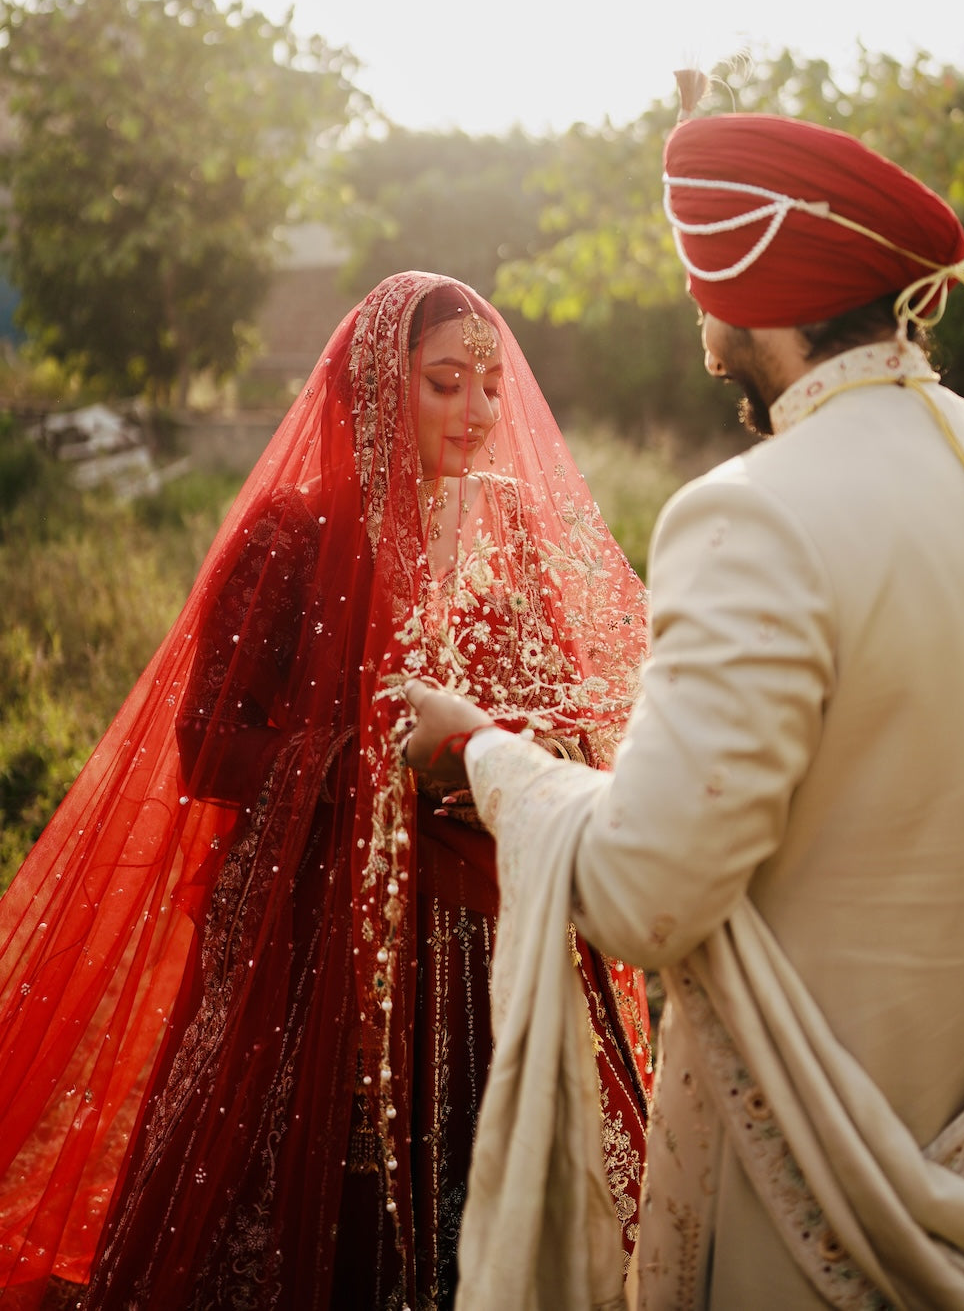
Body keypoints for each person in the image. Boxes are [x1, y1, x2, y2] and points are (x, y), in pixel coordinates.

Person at [404, 114, 964, 1311]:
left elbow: (640, 894)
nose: (698, 320)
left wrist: (487, 753)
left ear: (750, 286)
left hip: (807, 1189)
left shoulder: (751, 514)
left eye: (698, 283)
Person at [0, 271, 652, 1310]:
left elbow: (573, 715)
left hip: (496, 930)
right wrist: (365, 766)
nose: (479, 412)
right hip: (321, 945)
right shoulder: (291, 538)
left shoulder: (514, 540)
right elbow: (210, 745)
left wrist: (500, 755)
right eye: (446, 383)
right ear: (378, 390)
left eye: (490, 386)